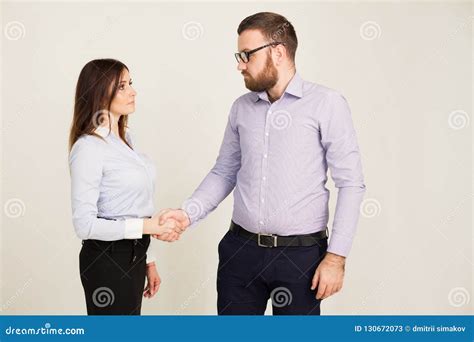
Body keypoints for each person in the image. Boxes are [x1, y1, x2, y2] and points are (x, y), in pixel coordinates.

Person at [160, 12, 367, 315]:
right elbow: (225, 171)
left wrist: (336, 257)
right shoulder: (241, 108)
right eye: (239, 55)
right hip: (240, 253)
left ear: (278, 52)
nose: (240, 65)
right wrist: (187, 214)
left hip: (301, 259)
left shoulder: (327, 104)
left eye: (246, 55)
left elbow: (351, 183)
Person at [68, 59, 180, 315]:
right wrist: (147, 227)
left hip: (134, 254)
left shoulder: (128, 139)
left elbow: (135, 206)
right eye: (121, 86)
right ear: (99, 92)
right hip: (107, 259)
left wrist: (149, 260)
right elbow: (84, 225)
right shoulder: (88, 148)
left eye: (130, 83)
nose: (132, 91)